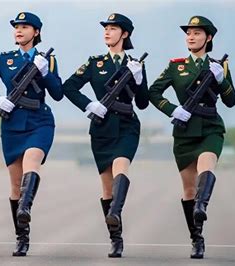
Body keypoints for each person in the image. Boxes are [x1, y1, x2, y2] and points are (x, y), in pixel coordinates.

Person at [0, 12, 63, 256]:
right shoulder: (6, 59)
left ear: (36, 32)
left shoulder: (48, 60)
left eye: (25, 27)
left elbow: (58, 93)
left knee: (32, 161)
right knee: (15, 184)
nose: (19, 31)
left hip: (40, 121)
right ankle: (22, 237)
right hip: (12, 124)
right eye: (16, 27)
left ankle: (25, 207)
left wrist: (45, 73)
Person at [149, 16, 235, 259]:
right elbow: (153, 92)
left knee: (207, 163)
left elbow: (231, 101)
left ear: (208, 38)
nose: (191, 36)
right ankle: (197, 238)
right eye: (188, 32)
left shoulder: (219, 66)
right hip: (185, 132)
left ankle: (202, 205)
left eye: (197, 33)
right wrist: (171, 108)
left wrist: (222, 80)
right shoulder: (175, 65)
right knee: (188, 189)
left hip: (210, 126)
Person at [62, 13, 148, 258]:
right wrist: (90, 105)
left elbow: (142, 103)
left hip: (127, 126)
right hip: (101, 127)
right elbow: (69, 87)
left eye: (113, 28)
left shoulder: (135, 63)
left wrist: (139, 78)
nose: (107, 32)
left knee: (122, 166)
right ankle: (116, 238)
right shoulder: (95, 62)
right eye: (106, 28)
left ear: (125, 34)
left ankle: (115, 213)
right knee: (107, 187)